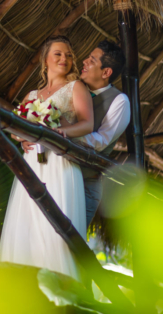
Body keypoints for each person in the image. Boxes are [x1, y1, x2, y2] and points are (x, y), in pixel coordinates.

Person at [0, 36, 94, 280]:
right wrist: (22, 139)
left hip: (60, 163)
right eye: (58, 54)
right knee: (27, 222)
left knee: (56, 225)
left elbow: (87, 124)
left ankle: (62, 285)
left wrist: (61, 133)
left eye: (69, 55)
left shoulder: (76, 88)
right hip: (32, 164)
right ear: (46, 60)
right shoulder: (32, 95)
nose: (65, 59)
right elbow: (16, 127)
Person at [54, 40, 130, 226]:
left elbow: (101, 141)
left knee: (71, 242)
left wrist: (65, 130)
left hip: (85, 182)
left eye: (92, 60)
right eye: (87, 58)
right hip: (56, 174)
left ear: (106, 72)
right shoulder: (73, 88)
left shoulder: (119, 101)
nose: (84, 62)